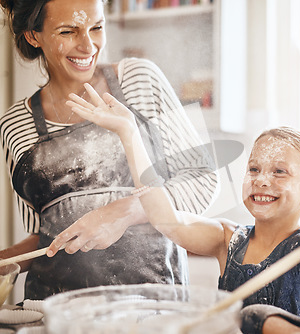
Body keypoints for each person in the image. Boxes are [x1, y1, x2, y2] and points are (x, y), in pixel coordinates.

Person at [66, 59, 300, 333]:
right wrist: (129, 133)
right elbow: (166, 219)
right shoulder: (226, 240)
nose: (262, 180)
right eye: (254, 169)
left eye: (279, 172)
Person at [0, 0, 218, 300]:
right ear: (33, 36)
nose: (88, 45)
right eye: (68, 31)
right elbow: (46, 235)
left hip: (151, 308)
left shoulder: (140, 80)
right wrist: (5, 260)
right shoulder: (15, 125)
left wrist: (127, 212)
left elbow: (202, 181)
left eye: (97, 28)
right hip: (56, 312)